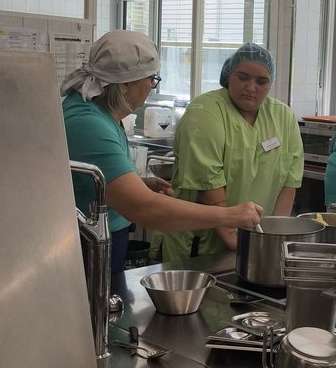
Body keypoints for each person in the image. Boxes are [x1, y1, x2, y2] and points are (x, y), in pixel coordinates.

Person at [61, 30, 263, 273]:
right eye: (151, 79)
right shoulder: (88, 125)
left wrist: (137, 184)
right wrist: (229, 216)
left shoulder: (98, 112)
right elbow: (146, 209)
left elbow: (93, 179)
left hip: (100, 239)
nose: (152, 87)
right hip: (84, 248)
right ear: (125, 84)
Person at [151, 43, 304, 262]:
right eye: (243, 77)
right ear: (228, 75)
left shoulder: (283, 117)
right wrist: (236, 241)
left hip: (256, 239)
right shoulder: (205, 112)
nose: (251, 87)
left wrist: (272, 237)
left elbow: (289, 183)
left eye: (261, 81)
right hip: (201, 244)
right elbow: (208, 187)